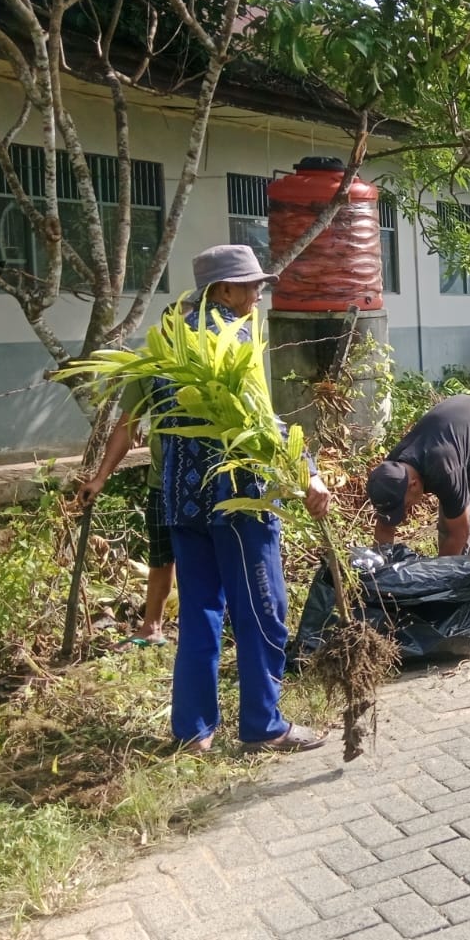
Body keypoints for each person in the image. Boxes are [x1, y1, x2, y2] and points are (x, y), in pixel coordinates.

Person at [161, 245, 330, 753]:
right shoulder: (231, 338)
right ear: (224, 290)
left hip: (182, 500)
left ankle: (193, 731)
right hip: (235, 500)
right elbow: (260, 421)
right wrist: (308, 472)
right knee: (262, 609)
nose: (259, 293)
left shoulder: (173, 339)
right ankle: (263, 725)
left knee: (200, 613)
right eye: (251, 285)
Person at [367, 396, 470, 634]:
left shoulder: (442, 467)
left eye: (405, 506)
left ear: (414, 485)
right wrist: (379, 585)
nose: (404, 513)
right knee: (446, 526)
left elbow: (459, 533)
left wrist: (434, 587)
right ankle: (462, 596)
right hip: (467, 444)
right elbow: (385, 528)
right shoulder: (391, 473)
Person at [78, 308, 178, 646]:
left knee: (203, 557)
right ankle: (152, 628)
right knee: (162, 556)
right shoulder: (148, 368)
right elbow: (127, 424)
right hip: (163, 482)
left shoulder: (214, 362)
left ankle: (207, 625)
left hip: (206, 485)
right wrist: (101, 477)